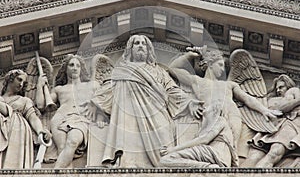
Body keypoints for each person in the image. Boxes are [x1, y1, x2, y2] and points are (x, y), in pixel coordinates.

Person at [92, 34, 203, 168]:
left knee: (165, 151)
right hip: (128, 117)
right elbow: (105, 93)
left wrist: (190, 102)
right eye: (136, 43)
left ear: (148, 49)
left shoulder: (158, 71)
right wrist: (98, 113)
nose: (140, 46)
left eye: (143, 44)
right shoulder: (121, 71)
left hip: (158, 114)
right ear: (130, 49)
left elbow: (172, 90)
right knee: (130, 150)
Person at [168, 47, 281, 166]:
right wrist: (190, 55)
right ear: (210, 64)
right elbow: (173, 69)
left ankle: (229, 166)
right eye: (220, 65)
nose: (223, 70)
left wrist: (264, 110)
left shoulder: (229, 84)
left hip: (232, 115)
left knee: (229, 146)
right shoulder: (197, 81)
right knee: (207, 142)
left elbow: (247, 99)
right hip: (210, 115)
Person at [36, 54, 99, 168]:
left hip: (81, 118)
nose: (75, 68)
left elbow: (105, 101)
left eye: (78, 65)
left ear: (81, 69)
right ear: (65, 69)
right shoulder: (59, 89)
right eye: (71, 65)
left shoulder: (92, 86)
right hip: (59, 119)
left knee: (73, 142)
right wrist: (40, 85)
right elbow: (41, 105)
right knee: (61, 148)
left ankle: (55, 173)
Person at [242, 74, 300, 168]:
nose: (278, 90)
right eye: (277, 88)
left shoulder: (293, 90)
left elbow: (282, 108)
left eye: (281, 87)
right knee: (260, 155)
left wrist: (281, 107)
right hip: (282, 125)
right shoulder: (278, 98)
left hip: (291, 124)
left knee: (274, 153)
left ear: (288, 85)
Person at [160, 100, 238, 168]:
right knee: (165, 160)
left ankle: (209, 167)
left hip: (217, 155)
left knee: (166, 160)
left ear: (215, 110)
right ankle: (208, 167)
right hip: (210, 154)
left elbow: (205, 139)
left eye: (207, 105)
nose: (203, 107)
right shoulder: (208, 125)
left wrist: (173, 149)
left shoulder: (220, 120)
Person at [0, 69, 51, 168]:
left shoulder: (24, 100)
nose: (21, 84)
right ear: (10, 79)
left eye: (24, 82)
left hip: (17, 132)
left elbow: (33, 118)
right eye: (19, 79)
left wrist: (40, 131)